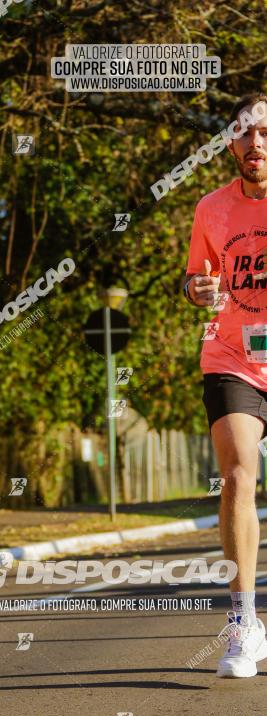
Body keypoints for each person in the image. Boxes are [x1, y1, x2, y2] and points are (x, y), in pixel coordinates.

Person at [184, 94, 267, 677]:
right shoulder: (210, 209)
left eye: (262, 132)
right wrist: (199, 291)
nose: (253, 144)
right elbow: (196, 275)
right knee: (238, 470)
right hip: (232, 355)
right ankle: (244, 621)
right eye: (242, 135)